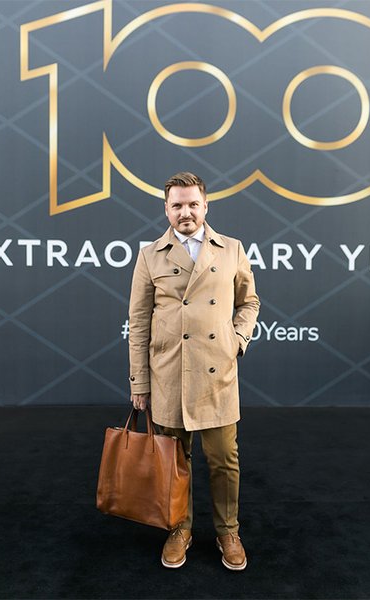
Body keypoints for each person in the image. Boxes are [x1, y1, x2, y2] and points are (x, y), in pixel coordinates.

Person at [127, 171, 260, 570]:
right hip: (170, 374)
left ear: (205, 206)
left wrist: (237, 339)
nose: (185, 212)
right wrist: (139, 381)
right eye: (177, 205)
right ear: (166, 209)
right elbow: (139, 322)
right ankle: (179, 528)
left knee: (224, 460)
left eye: (192, 204)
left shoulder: (231, 249)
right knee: (175, 461)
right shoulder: (150, 255)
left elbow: (249, 302)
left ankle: (228, 531)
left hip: (218, 373)